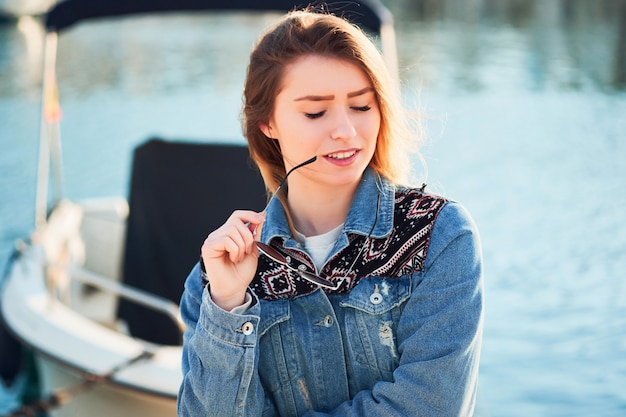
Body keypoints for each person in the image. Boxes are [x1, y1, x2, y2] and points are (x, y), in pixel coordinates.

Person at [177, 8, 483, 417]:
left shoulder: (437, 237)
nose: (345, 130)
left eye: (361, 106)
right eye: (315, 112)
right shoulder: (214, 281)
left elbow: (430, 407)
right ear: (267, 122)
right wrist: (229, 306)